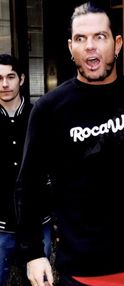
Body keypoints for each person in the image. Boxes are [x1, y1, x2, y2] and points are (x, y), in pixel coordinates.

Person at [15, 2, 124, 286]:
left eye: (99, 37)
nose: (90, 46)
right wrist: (32, 253)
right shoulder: (50, 109)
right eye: (81, 38)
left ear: (117, 44)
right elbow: (29, 186)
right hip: (85, 269)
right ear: (70, 47)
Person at [0, 53, 52, 286]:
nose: (4, 84)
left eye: (10, 76)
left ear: (21, 79)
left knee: (41, 282)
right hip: (0, 226)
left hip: (39, 222)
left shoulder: (40, 116)